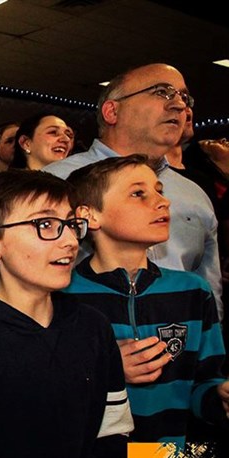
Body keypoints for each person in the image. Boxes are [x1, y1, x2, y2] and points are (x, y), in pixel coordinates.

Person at [0, 169, 133, 457]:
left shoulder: (93, 326)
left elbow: (112, 430)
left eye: (71, 224)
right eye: (45, 224)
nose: (70, 241)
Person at [65, 155, 229, 449]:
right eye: (138, 193)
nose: (163, 202)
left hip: (167, 453)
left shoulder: (193, 292)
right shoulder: (62, 297)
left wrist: (219, 399)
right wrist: (105, 368)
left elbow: (204, 385)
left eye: (159, 191)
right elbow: (43, 393)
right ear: (90, 215)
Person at [43, 63, 224, 319]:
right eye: (162, 92)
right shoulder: (53, 183)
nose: (179, 106)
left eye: (184, 98)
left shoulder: (194, 195)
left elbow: (210, 296)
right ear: (112, 111)